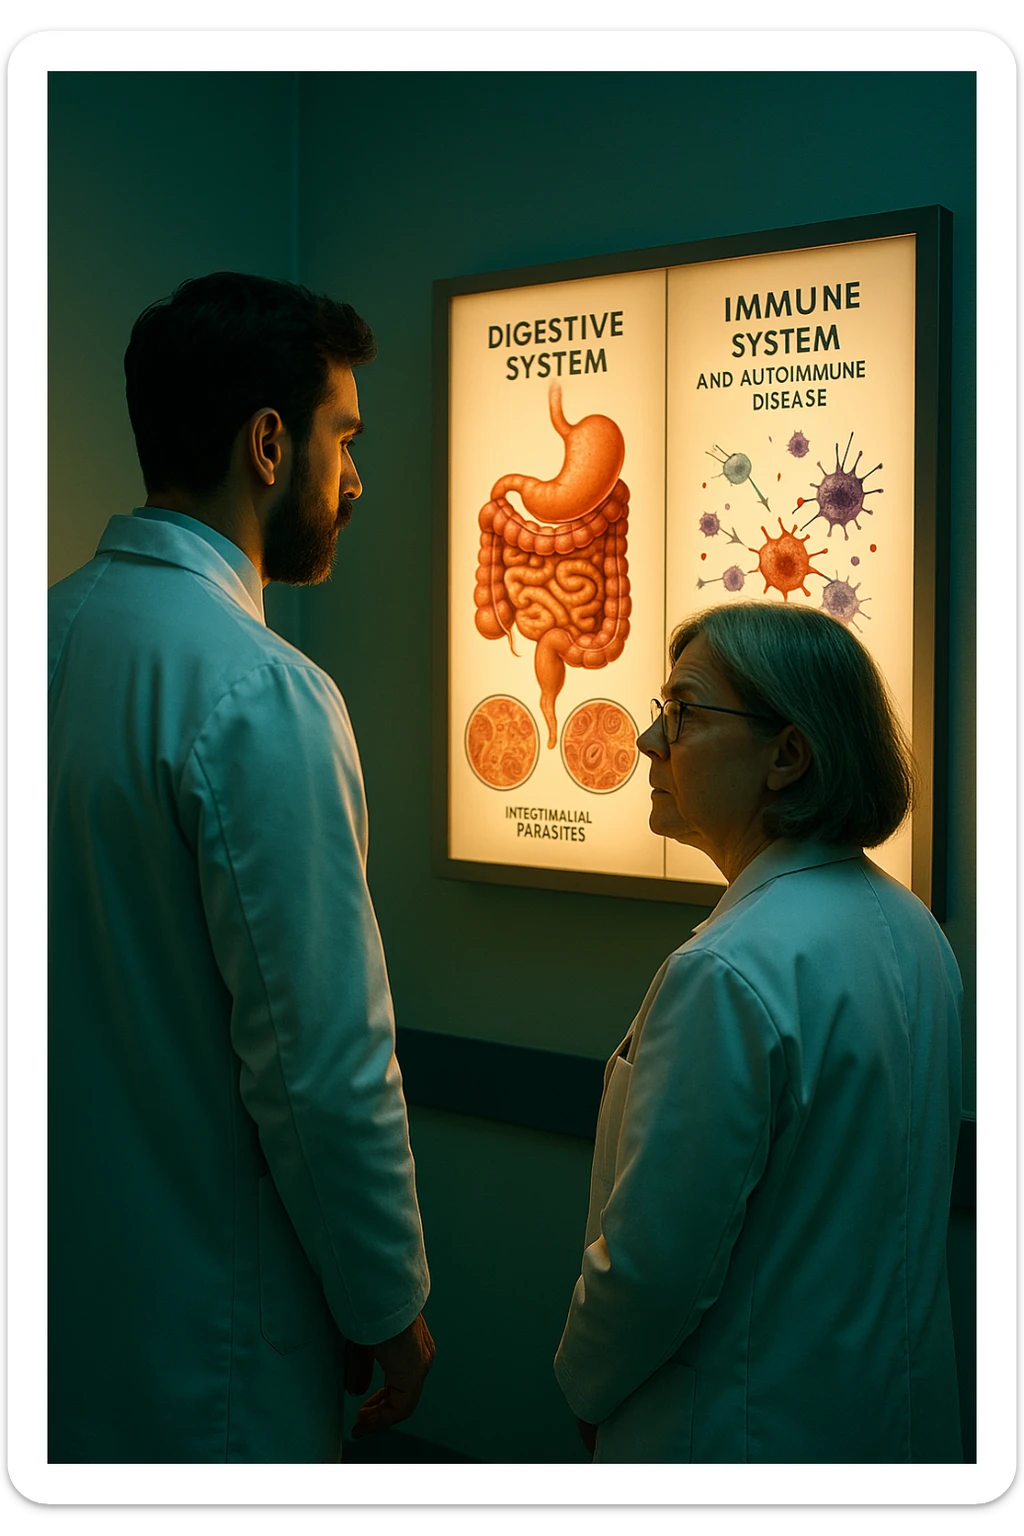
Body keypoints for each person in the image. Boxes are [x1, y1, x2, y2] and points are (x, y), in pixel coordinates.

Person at [48, 272, 433, 1463]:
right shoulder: (259, 693)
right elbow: (321, 1062)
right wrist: (390, 1304)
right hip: (211, 1350)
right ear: (270, 443)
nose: (355, 478)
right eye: (344, 436)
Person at [553, 601, 963, 1463]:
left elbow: (654, 1271)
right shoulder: (914, 930)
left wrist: (584, 1384)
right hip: (885, 1421)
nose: (647, 743)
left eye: (687, 713)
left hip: (737, 1434)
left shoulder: (729, 972)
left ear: (788, 755)